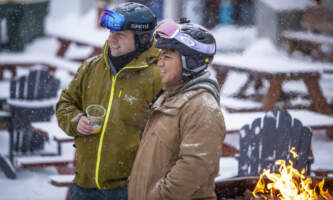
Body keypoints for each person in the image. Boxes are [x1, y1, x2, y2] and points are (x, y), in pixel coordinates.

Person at [56, 2, 162, 200]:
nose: (111, 39)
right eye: (110, 33)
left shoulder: (158, 77)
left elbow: (168, 135)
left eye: (120, 35)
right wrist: (75, 120)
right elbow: (65, 103)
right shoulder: (91, 67)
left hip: (128, 188)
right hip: (84, 185)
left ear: (142, 38)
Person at [128, 18, 226, 200]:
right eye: (161, 55)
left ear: (190, 62)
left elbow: (194, 167)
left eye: (167, 56)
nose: (160, 63)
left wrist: (160, 196)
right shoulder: (171, 97)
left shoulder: (201, 107)